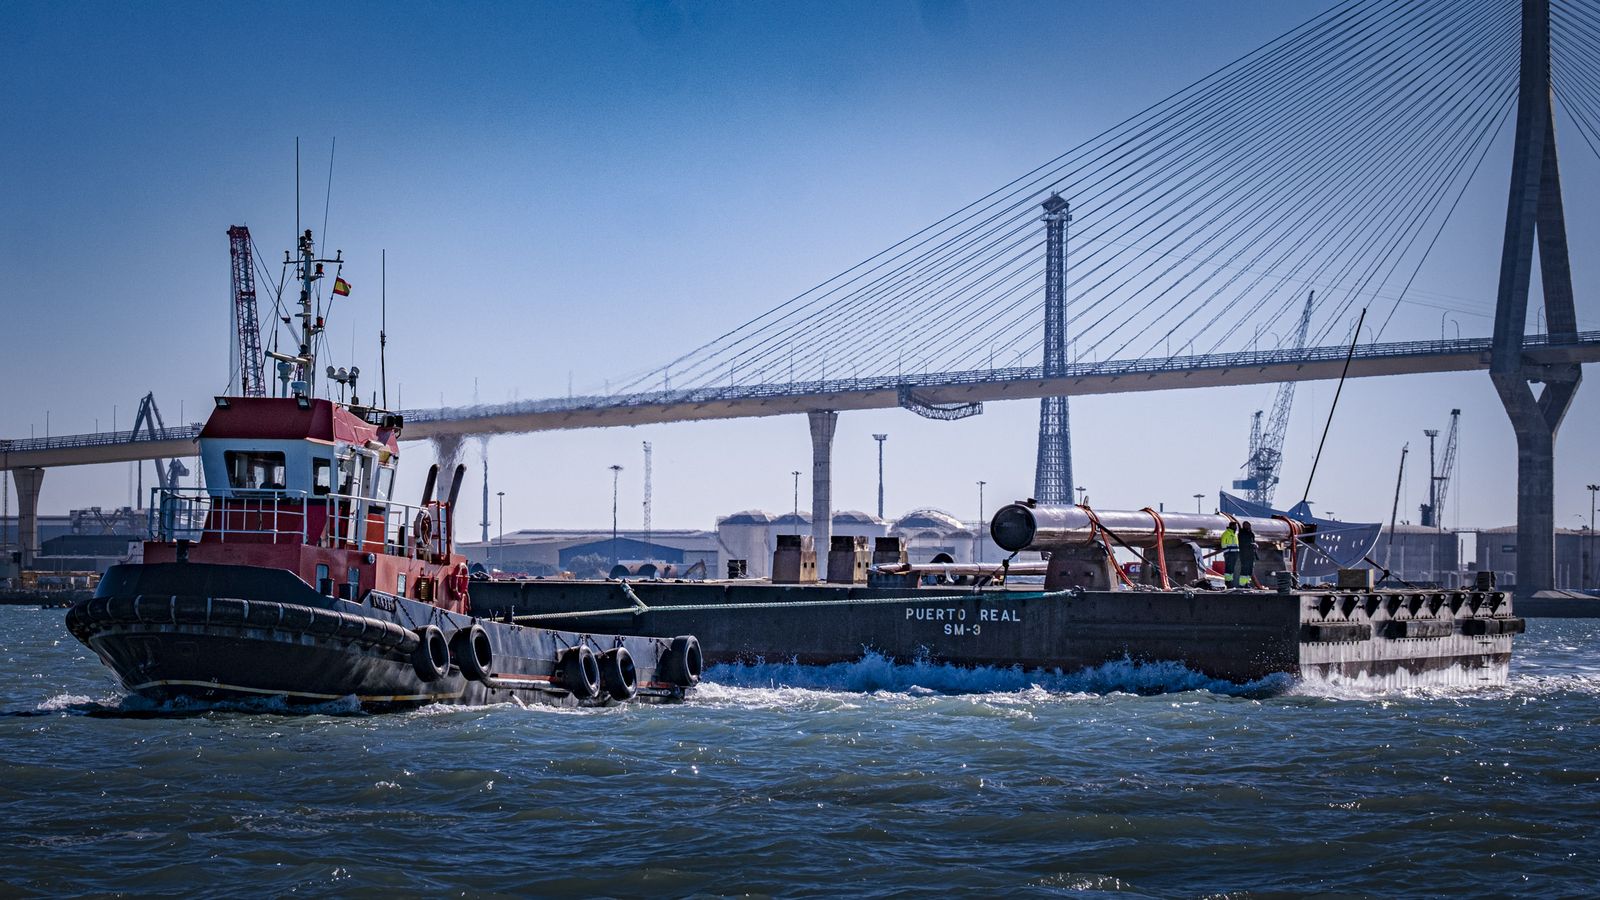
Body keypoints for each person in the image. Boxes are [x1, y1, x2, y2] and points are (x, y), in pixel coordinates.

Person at [1238, 520, 1257, 589]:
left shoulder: (1251, 534)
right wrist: (1252, 545)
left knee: (1249, 570)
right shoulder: (1242, 534)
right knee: (1245, 569)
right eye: (1247, 525)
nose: (1249, 527)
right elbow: (1242, 544)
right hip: (1245, 554)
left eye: (1249, 525)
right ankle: (1242, 584)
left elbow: (1252, 542)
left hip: (1251, 554)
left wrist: (1254, 545)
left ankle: (1246, 583)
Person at [1220, 521, 1240, 587]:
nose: (1236, 527)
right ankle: (1228, 582)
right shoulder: (1226, 534)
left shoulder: (1234, 534)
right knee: (1229, 568)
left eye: (1236, 526)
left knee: (1231, 568)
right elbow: (1223, 544)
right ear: (1231, 526)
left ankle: (1230, 581)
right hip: (1229, 554)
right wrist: (1227, 552)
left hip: (1234, 554)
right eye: (1235, 526)